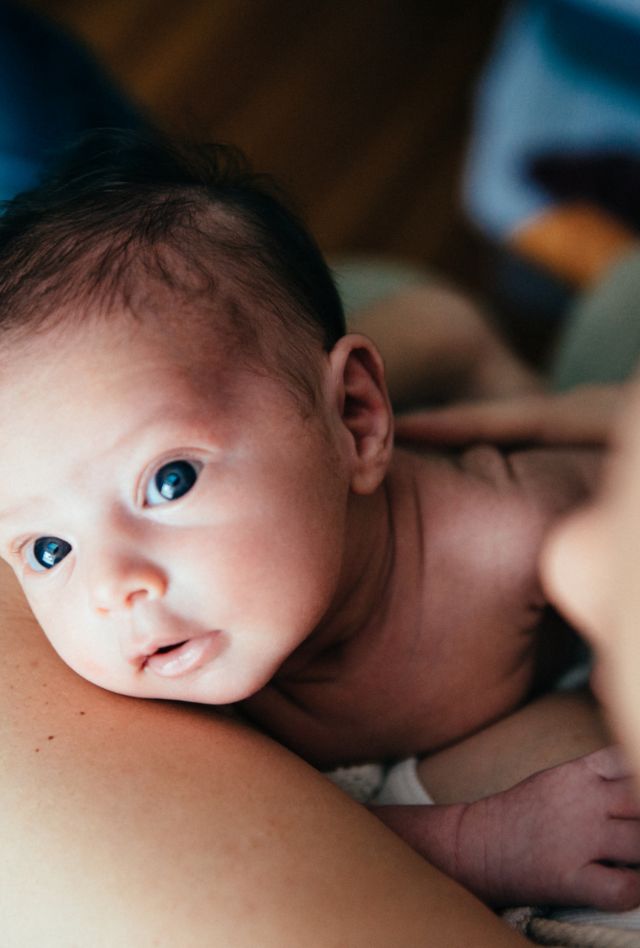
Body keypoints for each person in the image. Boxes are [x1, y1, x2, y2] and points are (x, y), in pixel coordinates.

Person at [1, 128, 638, 912]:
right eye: (50, 547)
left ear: (358, 417)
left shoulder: (511, 530)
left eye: (167, 481)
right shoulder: (168, 675)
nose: (111, 587)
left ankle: (471, 350)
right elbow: (277, 835)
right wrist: (486, 837)